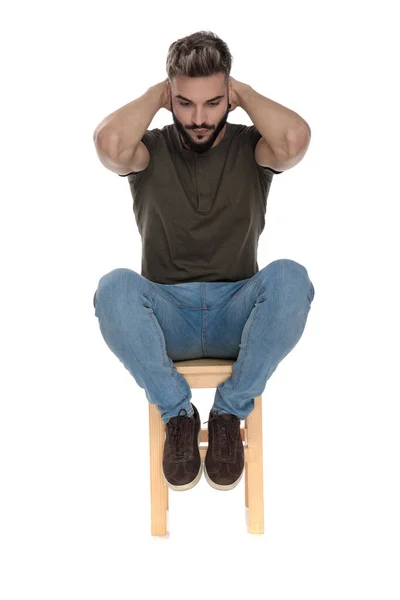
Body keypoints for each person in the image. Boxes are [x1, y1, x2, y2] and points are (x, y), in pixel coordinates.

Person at [92, 30, 315, 493]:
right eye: (185, 104)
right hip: (165, 314)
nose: (198, 118)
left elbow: (295, 140)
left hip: (238, 309)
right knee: (113, 287)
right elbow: (109, 145)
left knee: (292, 277)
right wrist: (157, 94)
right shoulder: (147, 149)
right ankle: (178, 415)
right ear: (170, 98)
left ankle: (230, 411)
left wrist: (246, 94)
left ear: (228, 98)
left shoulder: (252, 146)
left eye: (213, 103)